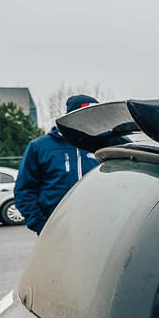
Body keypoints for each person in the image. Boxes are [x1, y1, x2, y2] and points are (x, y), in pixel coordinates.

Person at [15, 94, 100, 233]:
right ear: (70, 117)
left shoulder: (105, 144)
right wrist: (41, 225)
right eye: (86, 114)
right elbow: (24, 190)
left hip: (98, 226)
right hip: (56, 229)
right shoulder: (40, 147)